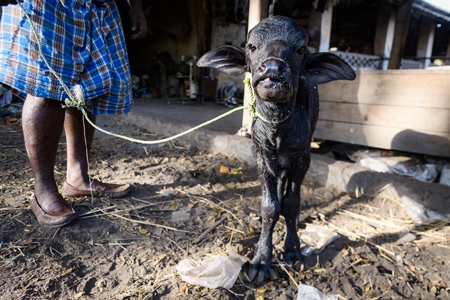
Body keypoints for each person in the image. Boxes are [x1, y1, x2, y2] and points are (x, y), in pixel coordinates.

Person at [0, 0, 147, 227]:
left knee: (88, 86)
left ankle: (78, 177)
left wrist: (135, 3)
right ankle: (44, 188)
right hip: (49, 4)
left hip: (97, 6)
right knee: (47, 83)